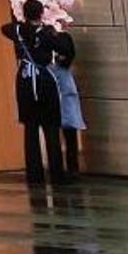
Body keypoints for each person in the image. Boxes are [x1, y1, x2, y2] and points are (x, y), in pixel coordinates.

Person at [2, 0, 69, 188]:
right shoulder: (47, 32)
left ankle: (34, 175)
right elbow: (63, 47)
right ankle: (57, 174)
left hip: (25, 81)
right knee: (51, 127)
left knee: (30, 129)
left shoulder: (17, 31)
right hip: (45, 80)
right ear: (41, 13)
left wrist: (23, 24)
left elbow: (5, 28)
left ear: (24, 13)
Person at [50, 26, 86, 179]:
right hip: (63, 88)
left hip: (58, 88)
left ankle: (66, 168)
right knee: (67, 131)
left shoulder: (59, 39)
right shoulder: (62, 40)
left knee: (60, 131)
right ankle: (71, 167)